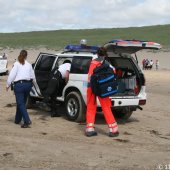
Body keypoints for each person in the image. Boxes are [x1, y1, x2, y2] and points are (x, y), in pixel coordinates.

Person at [85, 47, 119, 137]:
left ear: (97, 54)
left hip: (91, 87)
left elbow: (90, 76)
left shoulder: (92, 62)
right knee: (106, 107)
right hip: (103, 88)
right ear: (105, 54)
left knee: (91, 107)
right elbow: (114, 72)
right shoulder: (107, 64)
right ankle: (113, 129)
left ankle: (89, 128)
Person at [6, 50, 35, 128]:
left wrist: (8, 84)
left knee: (20, 103)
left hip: (19, 85)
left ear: (20, 55)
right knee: (21, 103)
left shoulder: (16, 64)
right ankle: (17, 119)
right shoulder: (29, 65)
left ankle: (27, 120)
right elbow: (33, 76)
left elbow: (12, 75)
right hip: (28, 85)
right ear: (26, 56)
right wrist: (33, 84)